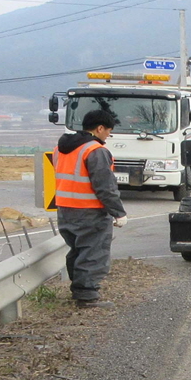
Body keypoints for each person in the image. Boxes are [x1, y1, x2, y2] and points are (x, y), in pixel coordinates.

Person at [53, 109, 127, 309]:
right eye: (108, 131)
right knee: (93, 252)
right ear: (99, 128)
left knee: (77, 250)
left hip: (65, 209)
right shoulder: (95, 151)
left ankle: (79, 290)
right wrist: (118, 212)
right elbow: (105, 187)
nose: (108, 136)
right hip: (90, 210)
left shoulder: (60, 149)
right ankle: (86, 296)